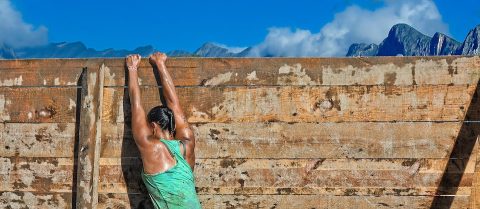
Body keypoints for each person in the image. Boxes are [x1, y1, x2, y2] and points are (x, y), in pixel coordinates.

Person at [126, 52, 201, 209]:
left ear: (153, 126)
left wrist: (132, 68)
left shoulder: (151, 147)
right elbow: (174, 104)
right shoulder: (187, 143)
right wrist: (160, 64)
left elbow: (136, 105)